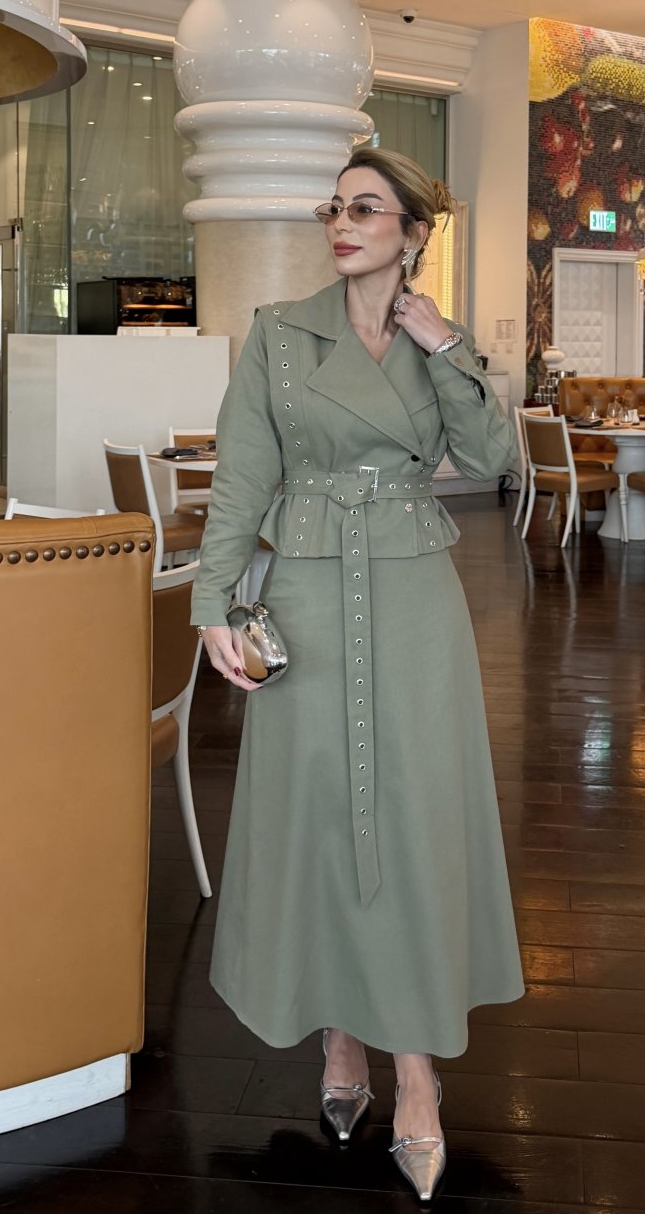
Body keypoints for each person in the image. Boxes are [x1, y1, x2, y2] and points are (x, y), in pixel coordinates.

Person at [191, 148, 524, 1203]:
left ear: (413, 232)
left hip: (417, 594)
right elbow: (242, 476)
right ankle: (339, 1037)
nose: (342, 223)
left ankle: (415, 1071)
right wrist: (211, 604)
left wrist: (448, 344)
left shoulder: (435, 342)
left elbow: (494, 458)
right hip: (307, 593)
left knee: (412, 819)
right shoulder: (280, 333)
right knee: (323, 814)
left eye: (366, 208)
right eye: (334, 207)